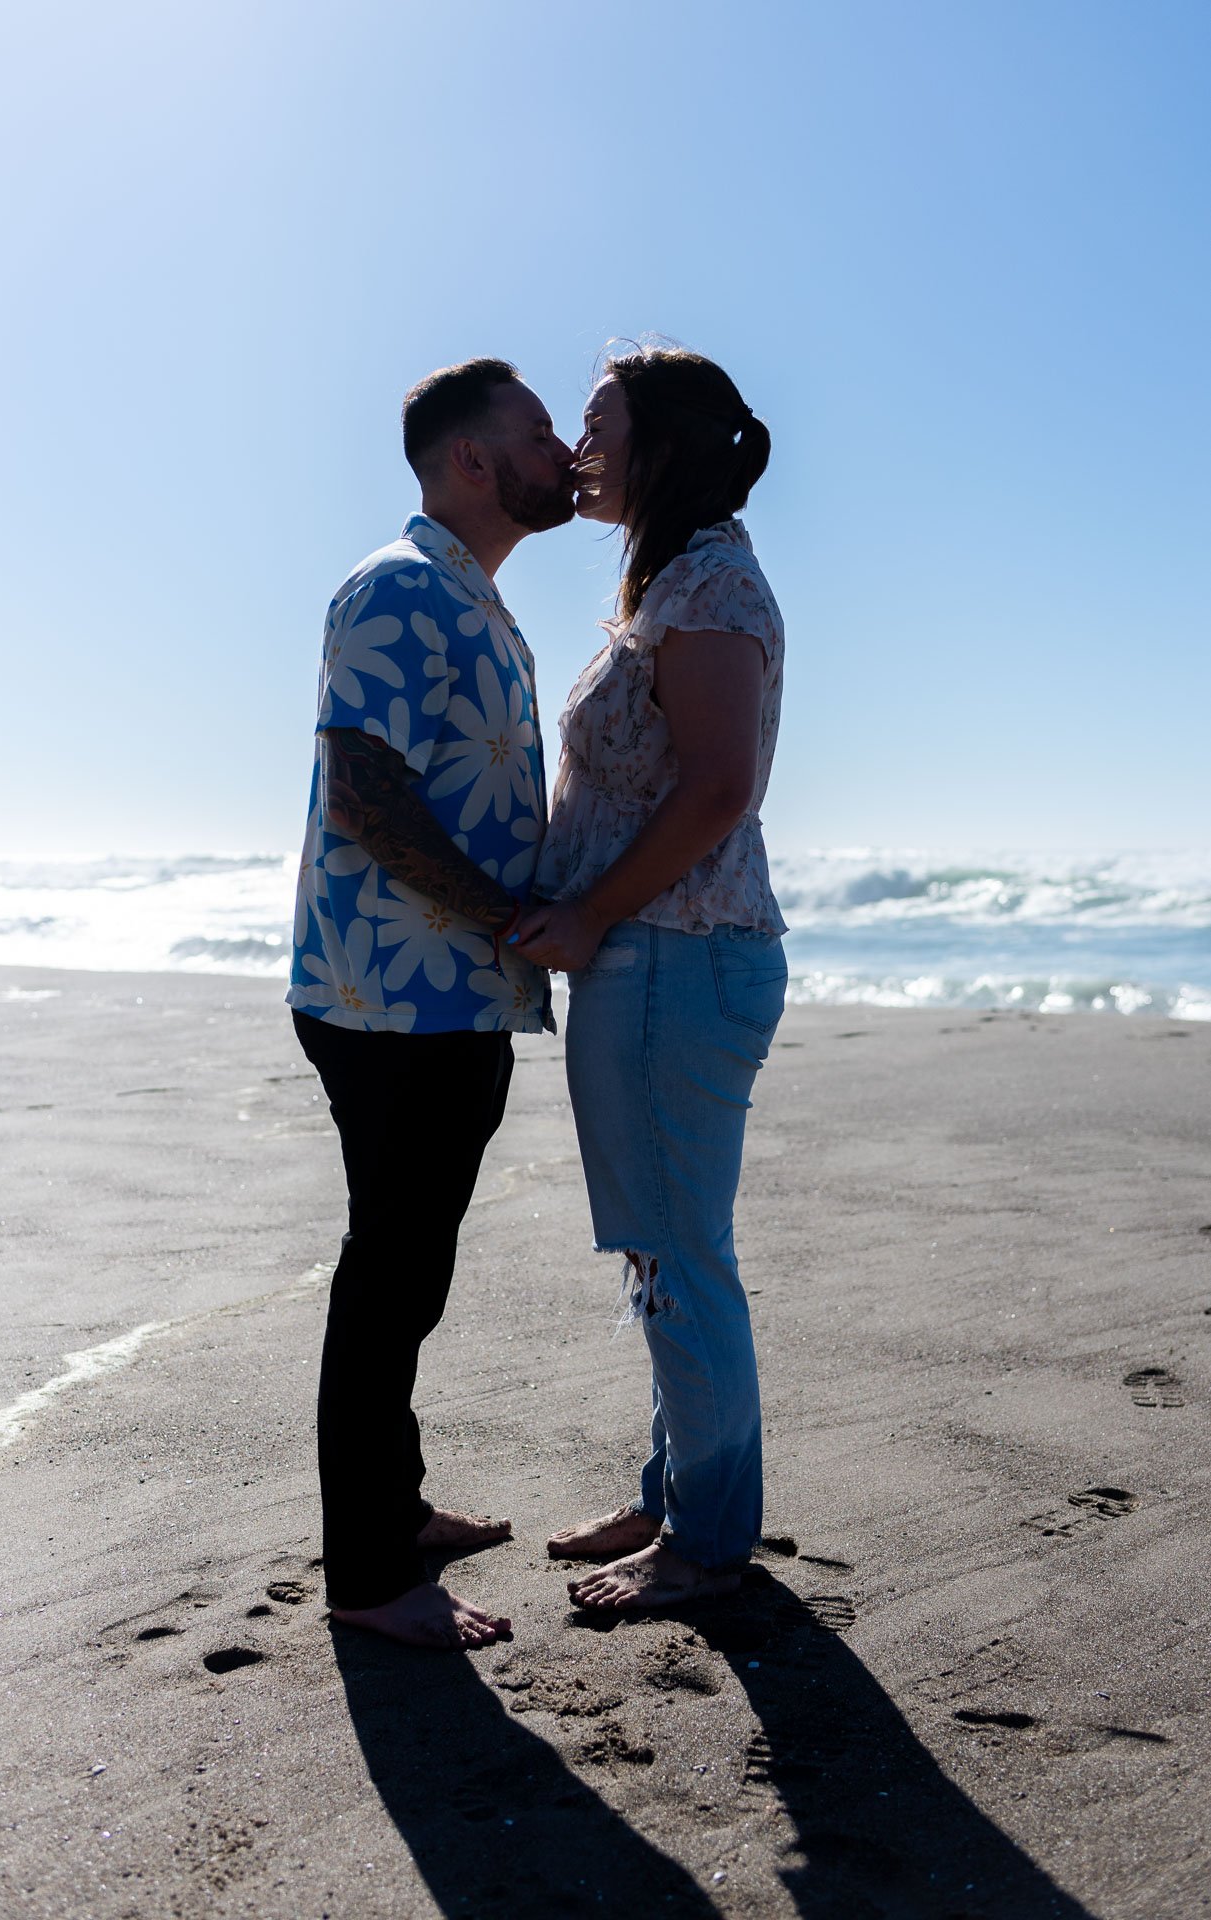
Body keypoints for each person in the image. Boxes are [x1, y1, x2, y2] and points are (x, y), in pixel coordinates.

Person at [289, 358, 575, 1649]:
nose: (562, 451)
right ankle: (368, 1577)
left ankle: (393, 1512)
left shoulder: (472, 598)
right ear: (472, 459)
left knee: (410, 1273)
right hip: (392, 998)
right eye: (538, 432)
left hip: (446, 991)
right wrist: (508, 917)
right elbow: (364, 795)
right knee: (389, 1277)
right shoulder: (400, 587)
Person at [515, 345, 788, 1610]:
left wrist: (587, 912)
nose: (579, 453)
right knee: (661, 1250)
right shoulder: (676, 581)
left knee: (681, 1254)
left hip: (675, 954)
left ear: (661, 447)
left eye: (598, 426)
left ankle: (709, 1540)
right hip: (655, 954)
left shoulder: (714, 584)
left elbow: (720, 788)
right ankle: (676, 1493)